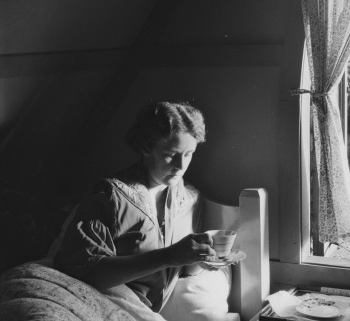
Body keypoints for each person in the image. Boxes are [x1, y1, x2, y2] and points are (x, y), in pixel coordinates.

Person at [53, 101, 230, 319]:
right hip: (107, 299)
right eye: (170, 154)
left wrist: (198, 259)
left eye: (189, 154)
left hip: (153, 306)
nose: (180, 166)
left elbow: (182, 271)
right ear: (146, 148)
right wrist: (169, 256)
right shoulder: (110, 195)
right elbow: (87, 271)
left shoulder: (190, 198)